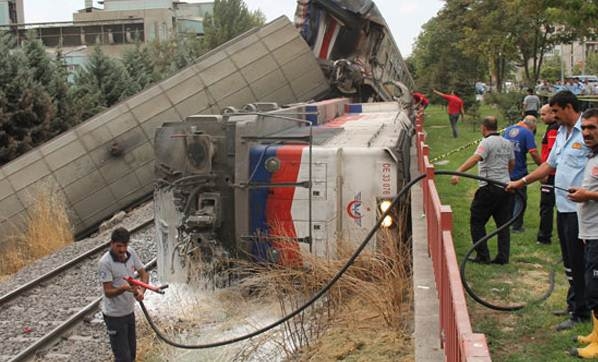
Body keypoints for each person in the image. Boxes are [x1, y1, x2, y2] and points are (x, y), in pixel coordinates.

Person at [506, 90, 591, 330]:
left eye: (554, 111)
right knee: (568, 259)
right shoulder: (561, 133)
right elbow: (548, 165)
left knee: (580, 260)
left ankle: (581, 312)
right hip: (562, 207)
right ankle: (574, 303)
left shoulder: (587, 132)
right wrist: (521, 182)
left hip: (581, 211)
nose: (551, 115)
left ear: (567, 108)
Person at [451, 116, 514, 264]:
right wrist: (506, 177)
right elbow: (512, 163)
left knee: (477, 221)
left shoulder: (486, 142)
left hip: (488, 188)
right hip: (505, 187)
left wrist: (458, 172)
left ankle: (483, 255)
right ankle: (503, 257)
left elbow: (475, 158)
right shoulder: (507, 143)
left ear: (484, 128)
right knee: (503, 225)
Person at [569, 108, 598, 358]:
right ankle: (596, 334)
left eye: (592, 128)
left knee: (595, 288)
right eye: (585, 128)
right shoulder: (592, 156)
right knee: (592, 286)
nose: (586, 133)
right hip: (589, 231)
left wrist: (587, 195)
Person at [99, 227, 149, 362]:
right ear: (112, 244)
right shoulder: (105, 263)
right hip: (114, 317)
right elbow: (108, 292)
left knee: (131, 355)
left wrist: (141, 292)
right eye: (118, 246)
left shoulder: (131, 253)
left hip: (129, 312)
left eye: (125, 246)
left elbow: (144, 273)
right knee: (123, 358)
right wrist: (124, 288)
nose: (122, 250)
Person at [502, 115, 542, 232]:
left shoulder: (508, 130)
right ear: (532, 126)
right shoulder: (527, 132)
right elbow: (533, 152)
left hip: (506, 169)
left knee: (509, 198)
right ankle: (516, 226)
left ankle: (506, 222)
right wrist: (543, 166)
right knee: (520, 198)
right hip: (519, 171)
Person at [537, 104, 559, 245]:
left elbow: (552, 153)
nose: (542, 117)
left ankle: (544, 237)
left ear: (552, 114)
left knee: (546, 205)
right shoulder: (552, 127)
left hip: (551, 174)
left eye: (544, 114)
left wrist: (545, 172)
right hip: (552, 172)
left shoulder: (553, 129)